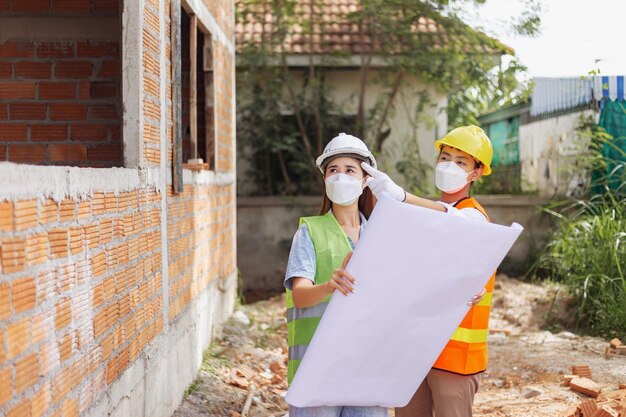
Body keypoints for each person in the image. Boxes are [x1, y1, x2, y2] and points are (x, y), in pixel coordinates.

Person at [361, 125, 495, 417]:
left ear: (476, 173)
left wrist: (402, 197)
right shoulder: (428, 211)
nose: (449, 166)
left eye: (461, 162)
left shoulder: (474, 215)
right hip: (414, 350)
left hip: (455, 360)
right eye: (445, 157)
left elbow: (455, 221)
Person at [284, 132, 388, 417]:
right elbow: (300, 295)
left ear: (365, 179)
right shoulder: (310, 231)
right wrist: (329, 286)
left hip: (366, 366)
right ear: (325, 179)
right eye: (333, 170)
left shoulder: (380, 234)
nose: (340, 176)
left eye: (350, 170)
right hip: (316, 369)